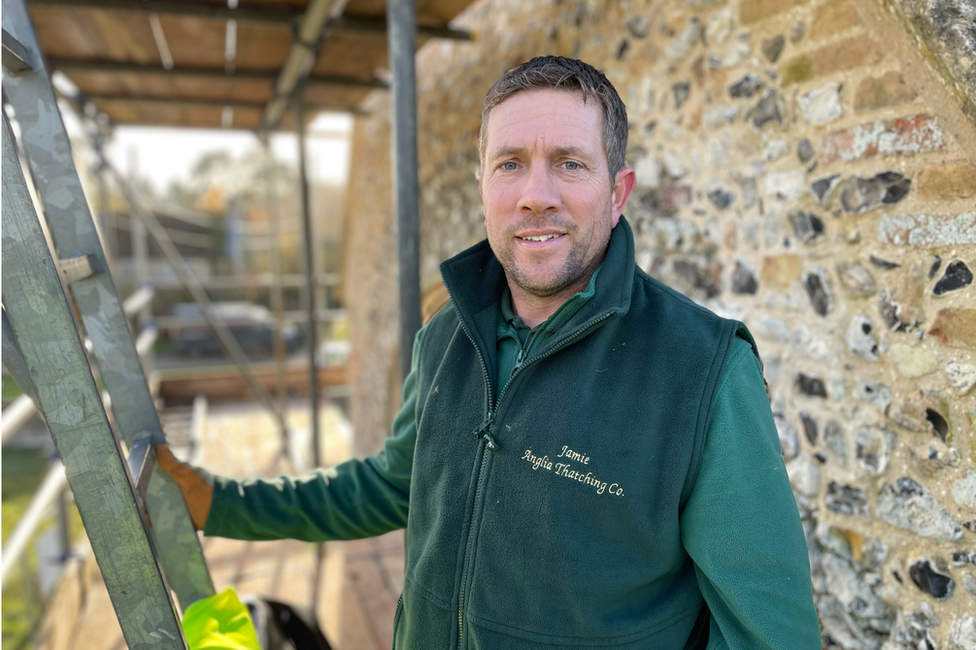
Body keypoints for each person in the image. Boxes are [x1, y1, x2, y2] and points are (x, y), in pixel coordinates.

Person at [159, 56, 821, 649]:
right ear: (484, 186)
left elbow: (769, 636)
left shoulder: (703, 369)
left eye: (569, 163)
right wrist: (225, 504)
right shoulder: (444, 337)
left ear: (617, 193)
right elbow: (396, 484)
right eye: (511, 164)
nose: (537, 194)